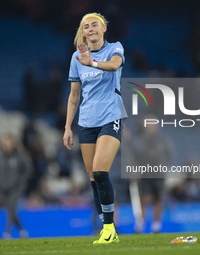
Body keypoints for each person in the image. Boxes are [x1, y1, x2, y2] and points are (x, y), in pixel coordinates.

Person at [63, 12, 126, 245]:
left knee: (100, 171)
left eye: (95, 25)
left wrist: (93, 63)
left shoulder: (115, 48)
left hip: (111, 117)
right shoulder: (76, 57)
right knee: (92, 178)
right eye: (86, 26)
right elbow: (74, 96)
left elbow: (115, 65)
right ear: (83, 31)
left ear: (104, 29)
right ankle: (106, 227)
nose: (91, 29)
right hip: (86, 122)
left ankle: (109, 229)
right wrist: (68, 127)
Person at [0, 134, 32, 239]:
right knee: (11, 211)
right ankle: (22, 230)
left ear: (13, 144)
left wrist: (21, 183)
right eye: (5, 144)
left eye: (9, 144)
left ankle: (7, 232)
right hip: (3, 189)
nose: (7, 146)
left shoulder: (20, 157)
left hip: (16, 188)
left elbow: (28, 170)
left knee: (11, 209)